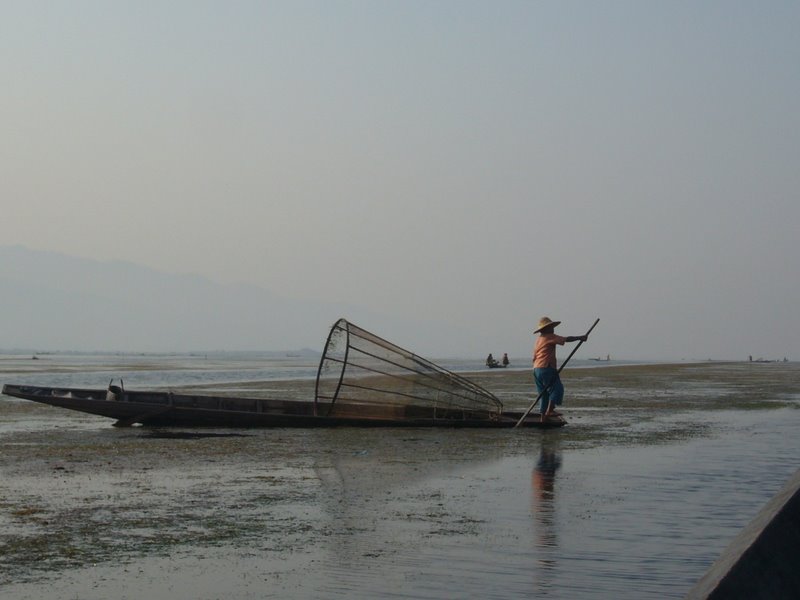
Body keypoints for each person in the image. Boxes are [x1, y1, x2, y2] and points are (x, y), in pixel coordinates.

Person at [532, 317, 588, 422]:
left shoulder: (538, 340)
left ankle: (542, 418)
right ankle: (550, 411)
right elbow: (566, 339)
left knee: (543, 394)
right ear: (546, 328)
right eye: (551, 327)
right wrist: (580, 337)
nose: (553, 329)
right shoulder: (549, 336)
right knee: (557, 389)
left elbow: (534, 356)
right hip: (546, 367)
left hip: (536, 369)